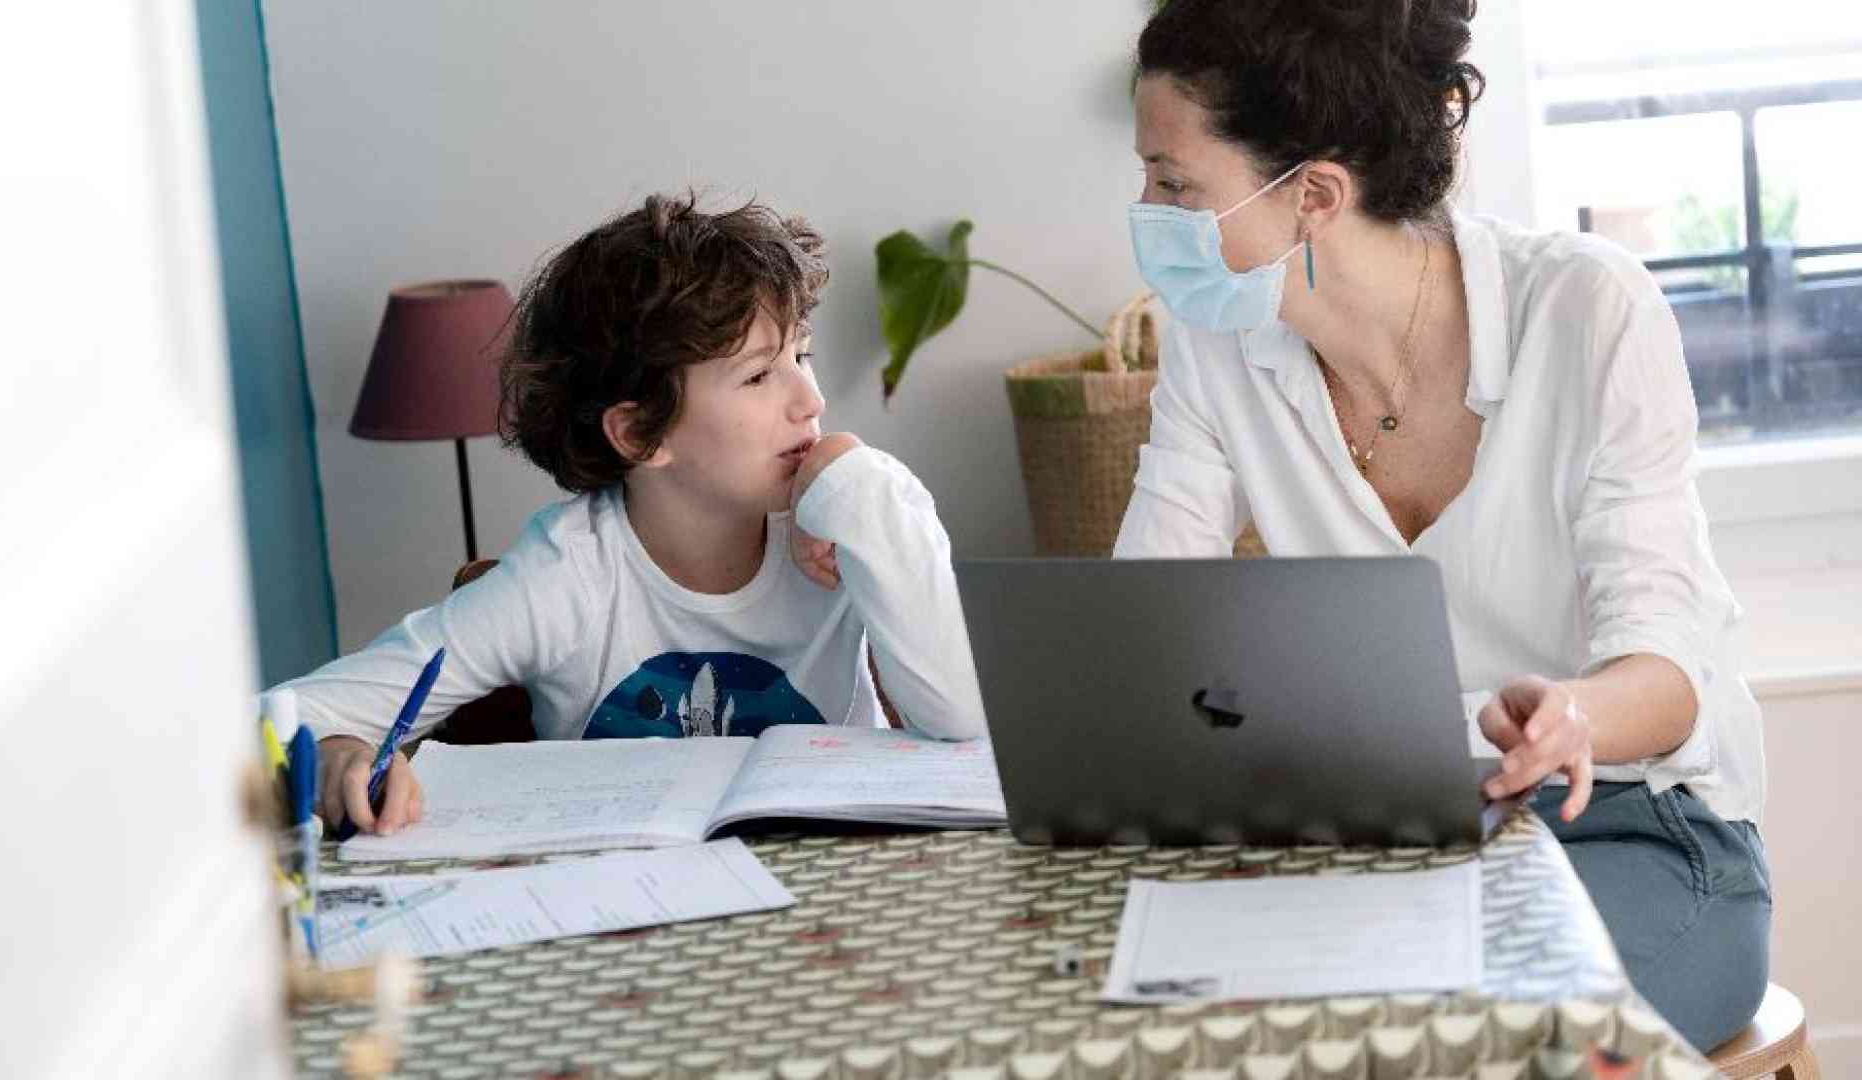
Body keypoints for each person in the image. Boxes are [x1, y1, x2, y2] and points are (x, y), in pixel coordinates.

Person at [1115, 0, 1769, 1051]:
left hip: (1623, 825)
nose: (1145, 209)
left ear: (1314, 196)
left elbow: (1668, 668)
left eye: (1174, 183)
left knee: (1470, 1043)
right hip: (1378, 843)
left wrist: (1571, 715)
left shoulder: (1585, 306)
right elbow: (1143, 625)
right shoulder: (1216, 342)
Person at [277, 193, 985, 837]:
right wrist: (336, 756)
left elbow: (963, 720)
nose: (811, 401)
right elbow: (277, 722)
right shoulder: (565, 577)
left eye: (803, 355)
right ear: (641, 433)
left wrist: (855, 481)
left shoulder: (844, 524)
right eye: (759, 375)